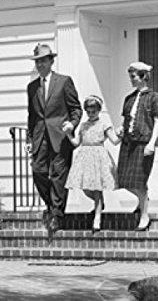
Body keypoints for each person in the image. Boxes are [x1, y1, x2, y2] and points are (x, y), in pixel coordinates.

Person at [27, 43, 82, 234]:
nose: (40, 64)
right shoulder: (32, 87)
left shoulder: (64, 81)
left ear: (51, 61)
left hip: (60, 136)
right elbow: (32, 116)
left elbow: (76, 109)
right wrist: (29, 139)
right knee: (38, 171)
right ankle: (51, 205)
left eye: (43, 60)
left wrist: (72, 125)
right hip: (39, 137)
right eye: (37, 61)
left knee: (59, 175)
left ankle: (57, 215)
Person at [117, 62, 158, 231]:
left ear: (143, 76)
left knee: (139, 181)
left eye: (133, 76)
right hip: (127, 143)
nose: (131, 79)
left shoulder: (154, 97)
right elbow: (126, 120)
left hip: (143, 143)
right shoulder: (128, 99)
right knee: (123, 180)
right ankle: (144, 200)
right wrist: (120, 129)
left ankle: (144, 215)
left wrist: (152, 143)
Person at [65, 95, 120, 233]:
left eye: (93, 111)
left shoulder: (104, 124)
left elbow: (114, 141)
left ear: (98, 110)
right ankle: (99, 204)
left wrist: (121, 133)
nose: (91, 114)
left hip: (98, 156)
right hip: (84, 157)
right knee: (86, 188)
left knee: (97, 188)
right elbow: (76, 143)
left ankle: (97, 217)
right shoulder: (83, 125)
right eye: (88, 111)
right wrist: (68, 134)